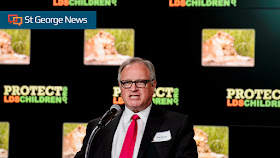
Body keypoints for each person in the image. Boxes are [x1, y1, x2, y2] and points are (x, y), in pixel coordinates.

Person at [75, 57, 198, 158]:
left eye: (140, 82)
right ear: (120, 86)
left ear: (153, 85)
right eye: (127, 82)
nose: (133, 88)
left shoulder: (177, 124)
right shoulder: (98, 127)